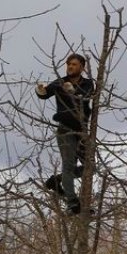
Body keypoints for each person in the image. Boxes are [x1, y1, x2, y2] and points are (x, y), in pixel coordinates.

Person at [36, 53, 95, 215]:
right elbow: (45, 94)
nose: (70, 67)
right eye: (68, 64)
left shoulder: (88, 84)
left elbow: (85, 97)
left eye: (74, 64)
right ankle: (72, 202)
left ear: (82, 67)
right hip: (65, 130)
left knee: (90, 168)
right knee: (68, 165)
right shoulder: (60, 82)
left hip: (82, 132)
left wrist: (73, 91)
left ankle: (58, 180)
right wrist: (40, 90)